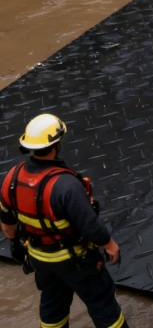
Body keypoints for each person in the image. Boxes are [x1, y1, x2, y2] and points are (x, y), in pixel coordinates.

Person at [0, 113, 128, 328]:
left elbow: (7, 224)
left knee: (53, 306)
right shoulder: (66, 185)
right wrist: (111, 246)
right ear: (56, 145)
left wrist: (15, 242)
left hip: (40, 260)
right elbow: (91, 227)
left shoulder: (12, 177)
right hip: (76, 260)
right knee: (103, 305)